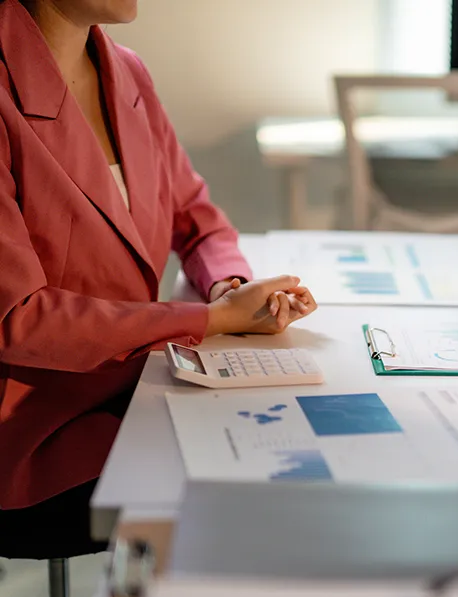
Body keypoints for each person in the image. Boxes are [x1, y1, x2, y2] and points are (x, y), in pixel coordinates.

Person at [0, 0, 316, 551]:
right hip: (32, 440)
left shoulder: (126, 71)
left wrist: (231, 288)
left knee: (292, 444)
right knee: (257, 486)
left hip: (134, 389)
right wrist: (210, 319)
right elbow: (18, 318)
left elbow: (195, 216)